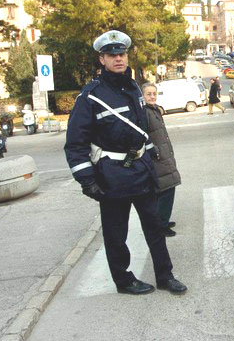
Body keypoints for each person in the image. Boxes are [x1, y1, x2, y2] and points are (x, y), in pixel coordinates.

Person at [64, 30, 187, 295]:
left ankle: (165, 276)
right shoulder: (90, 96)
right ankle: (124, 280)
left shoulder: (133, 87)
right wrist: (87, 180)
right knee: (116, 234)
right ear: (102, 60)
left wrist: (152, 151)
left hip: (141, 169)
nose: (118, 59)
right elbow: (75, 144)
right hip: (112, 175)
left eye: (122, 54)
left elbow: (141, 128)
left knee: (156, 227)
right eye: (112, 55)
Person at [142, 83, 181, 237]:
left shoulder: (154, 110)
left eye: (154, 93)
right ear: (142, 96)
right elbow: (141, 135)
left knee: (164, 190)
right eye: (148, 94)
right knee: (166, 190)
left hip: (163, 156)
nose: (152, 96)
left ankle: (162, 220)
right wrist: (154, 151)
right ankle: (161, 226)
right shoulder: (144, 112)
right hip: (156, 158)